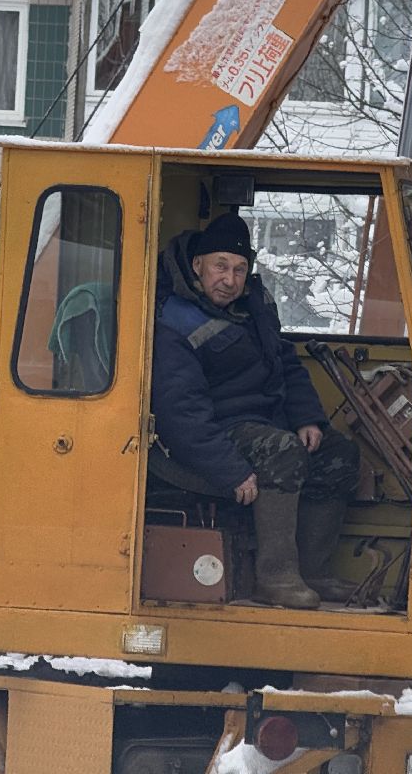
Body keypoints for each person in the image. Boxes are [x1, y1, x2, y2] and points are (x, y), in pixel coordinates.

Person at [151, 211, 360, 609]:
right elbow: (182, 415)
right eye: (220, 267)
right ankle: (276, 577)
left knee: (338, 455)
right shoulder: (175, 322)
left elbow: (286, 361)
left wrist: (306, 417)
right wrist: (230, 469)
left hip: (266, 423)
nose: (230, 280)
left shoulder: (253, 308)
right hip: (215, 435)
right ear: (198, 265)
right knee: (282, 452)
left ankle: (314, 571)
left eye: (239, 268)